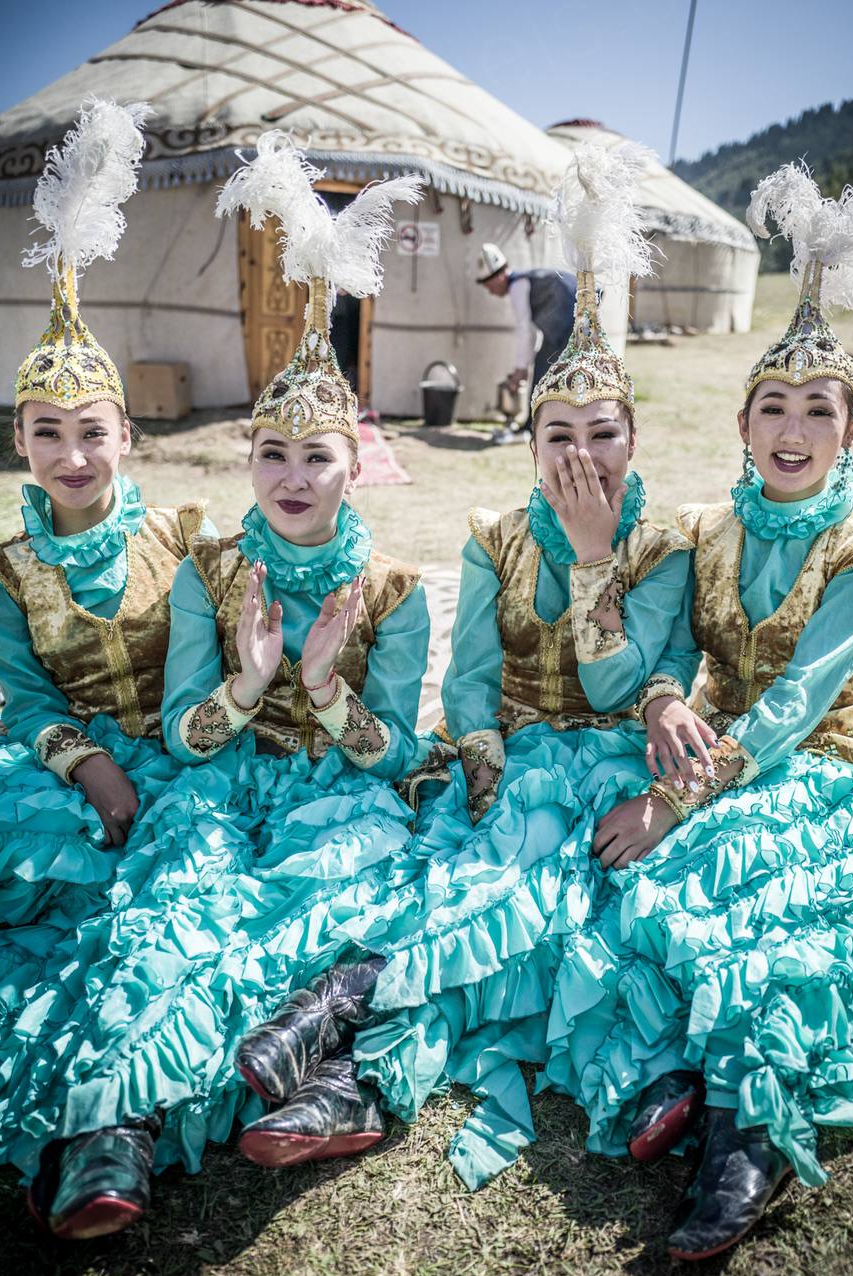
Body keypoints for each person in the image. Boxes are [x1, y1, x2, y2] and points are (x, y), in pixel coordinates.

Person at [0, 134, 430, 1242]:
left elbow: (399, 754)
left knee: (327, 909)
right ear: (246, 458)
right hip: (216, 772)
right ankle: (112, 1123)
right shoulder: (210, 567)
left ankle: (287, 1071)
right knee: (169, 903)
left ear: (357, 462)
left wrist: (323, 689)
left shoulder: (393, 587)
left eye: (317, 456)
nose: (292, 476)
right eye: (272, 452)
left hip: (341, 787)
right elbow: (186, 741)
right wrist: (248, 683)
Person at [233, 143, 700, 1190]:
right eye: (556, 434)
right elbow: (469, 674)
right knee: (475, 870)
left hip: (612, 758)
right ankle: (350, 1038)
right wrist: (483, 761)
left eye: (601, 434)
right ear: (527, 443)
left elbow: (621, 690)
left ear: (633, 439)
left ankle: (349, 1042)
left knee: (548, 898)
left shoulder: (664, 545)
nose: (578, 455)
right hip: (511, 755)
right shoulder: (493, 533)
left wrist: (593, 558)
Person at [540, 159, 853, 1262]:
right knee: (614, 879)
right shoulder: (703, 528)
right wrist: (664, 695)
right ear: (743, 421)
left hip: (825, 755)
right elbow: (661, 652)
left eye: (817, 409)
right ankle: (677, 1074)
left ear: (852, 426)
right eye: (772, 407)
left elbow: (798, 700)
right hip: (710, 740)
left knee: (776, 907)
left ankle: (747, 1137)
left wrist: (673, 798)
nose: (791, 428)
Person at [0, 99, 213, 1011]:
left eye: (92, 431)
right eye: (47, 432)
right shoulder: (4, 570)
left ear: (128, 434)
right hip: (66, 765)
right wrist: (90, 766)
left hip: (192, 758)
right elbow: (27, 697)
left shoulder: (184, 536)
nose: (71, 457)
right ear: (18, 440)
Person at [476, 242, 576, 443]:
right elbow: (532, 333)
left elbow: (525, 331)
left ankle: (533, 427)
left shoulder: (517, 286)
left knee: (543, 372)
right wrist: (523, 366)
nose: (491, 292)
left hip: (569, 321)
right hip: (570, 320)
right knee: (547, 368)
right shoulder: (526, 281)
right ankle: (538, 424)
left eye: (489, 286)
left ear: (499, 277)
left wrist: (521, 368)